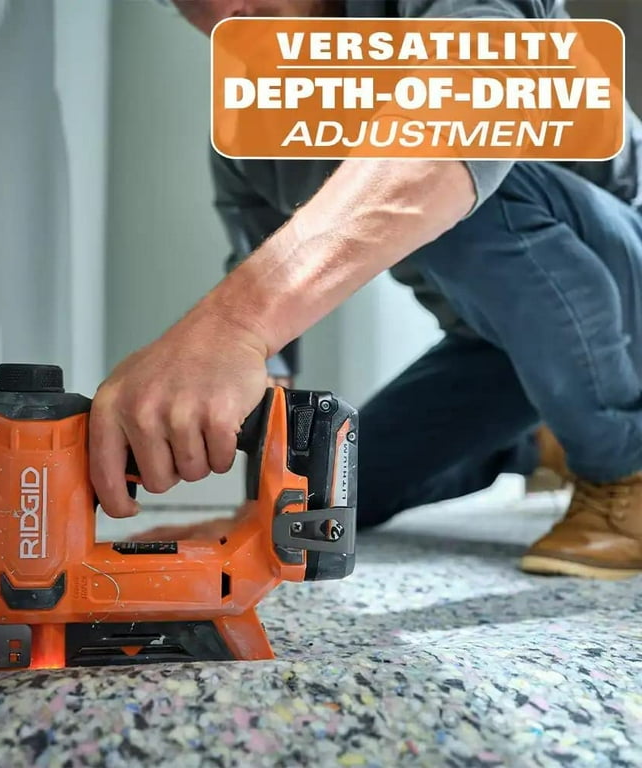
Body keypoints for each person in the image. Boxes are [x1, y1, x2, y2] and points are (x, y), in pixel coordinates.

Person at [90, 0, 642, 580]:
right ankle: (547, 440)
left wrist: (230, 324)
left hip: (626, 290)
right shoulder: (255, 127)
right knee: (336, 489)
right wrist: (258, 509)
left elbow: (459, 122)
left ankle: (623, 467)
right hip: (504, 347)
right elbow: (270, 352)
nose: (228, 9)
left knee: (467, 174)